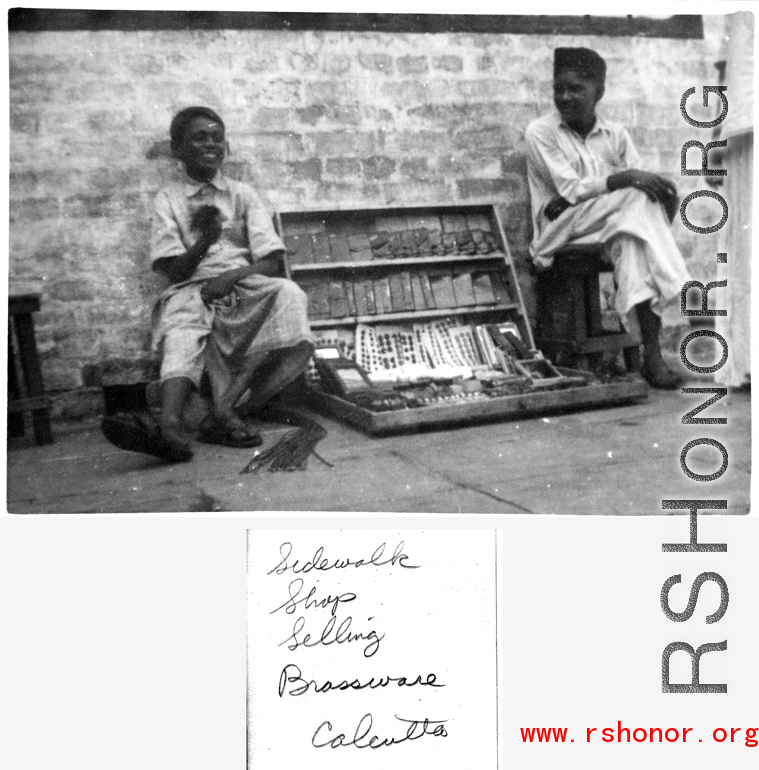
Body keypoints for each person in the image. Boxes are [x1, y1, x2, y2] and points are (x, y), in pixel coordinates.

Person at [105, 106, 314, 462]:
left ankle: (225, 408)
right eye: (199, 137)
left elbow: (273, 260)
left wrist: (231, 276)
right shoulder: (169, 198)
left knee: (288, 294)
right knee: (182, 326)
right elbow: (174, 272)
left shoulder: (242, 194)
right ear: (178, 149)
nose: (210, 145)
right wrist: (205, 239)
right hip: (192, 288)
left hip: (241, 284)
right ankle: (168, 426)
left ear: (225, 146)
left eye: (217, 138)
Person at [525, 47, 689, 388]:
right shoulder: (540, 132)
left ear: (598, 92)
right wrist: (621, 180)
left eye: (575, 89)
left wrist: (631, 187)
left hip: (614, 223)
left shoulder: (616, 134)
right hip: (562, 231)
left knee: (633, 237)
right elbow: (569, 189)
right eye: (559, 89)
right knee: (635, 196)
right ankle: (676, 291)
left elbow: (641, 193)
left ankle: (651, 357)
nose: (565, 97)